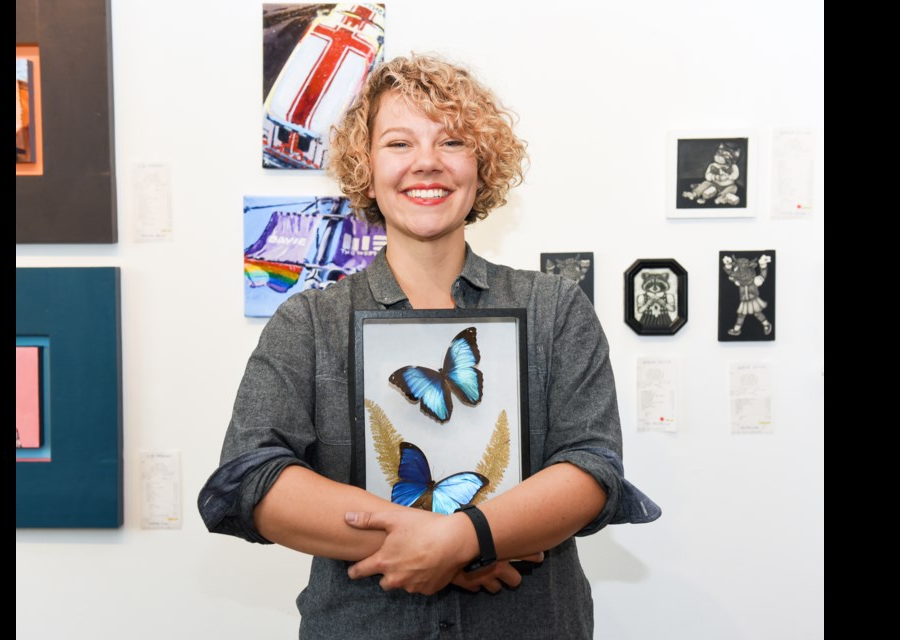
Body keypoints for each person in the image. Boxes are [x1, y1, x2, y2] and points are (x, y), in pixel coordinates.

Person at [199, 53, 660, 640]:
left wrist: (459, 538)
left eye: (452, 142)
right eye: (398, 143)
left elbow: (592, 469)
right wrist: (431, 539)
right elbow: (255, 477)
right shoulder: (308, 322)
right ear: (365, 165)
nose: (426, 163)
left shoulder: (556, 309)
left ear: (481, 163)